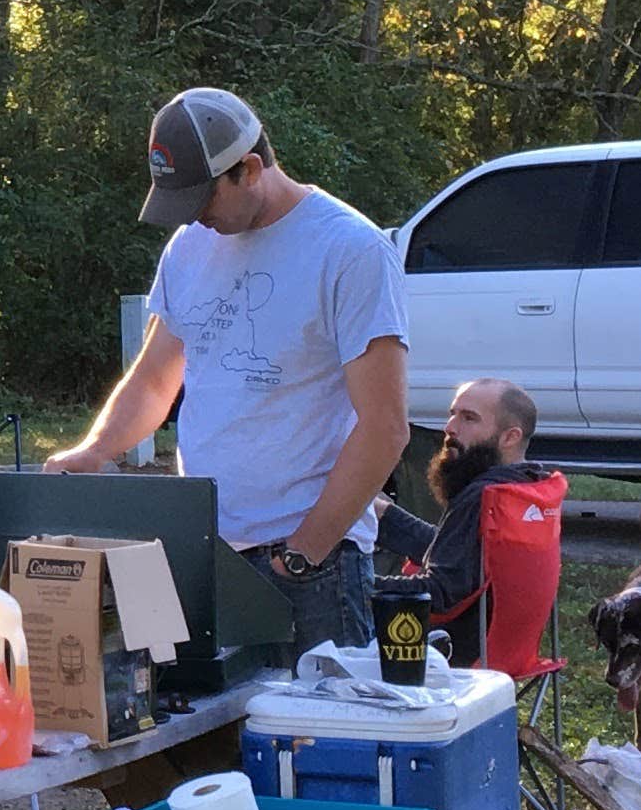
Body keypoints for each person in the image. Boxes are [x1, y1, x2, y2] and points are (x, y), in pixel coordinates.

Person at [42, 86, 412, 654]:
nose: (195, 219)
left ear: (250, 169)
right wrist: (96, 449)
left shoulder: (351, 250)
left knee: (310, 738)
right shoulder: (188, 247)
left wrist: (304, 552)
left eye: (203, 199)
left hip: (312, 569)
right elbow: (153, 380)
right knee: (195, 729)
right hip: (198, 551)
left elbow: (384, 427)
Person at [378, 376, 561, 659]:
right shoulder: (527, 488)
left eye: (469, 419)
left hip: (454, 656)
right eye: (452, 415)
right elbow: (464, 557)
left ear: (510, 437)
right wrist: (385, 516)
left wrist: (358, 583)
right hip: (508, 653)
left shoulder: (484, 495)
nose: (450, 428)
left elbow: (439, 593)